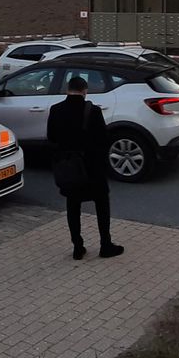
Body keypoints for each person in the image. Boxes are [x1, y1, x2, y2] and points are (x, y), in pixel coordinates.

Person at [47, 76, 123, 261]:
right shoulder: (93, 111)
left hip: (70, 168)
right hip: (92, 167)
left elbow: (51, 137)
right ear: (84, 90)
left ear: (68, 89)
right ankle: (105, 245)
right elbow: (103, 139)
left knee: (73, 206)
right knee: (102, 204)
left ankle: (78, 247)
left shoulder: (56, 110)